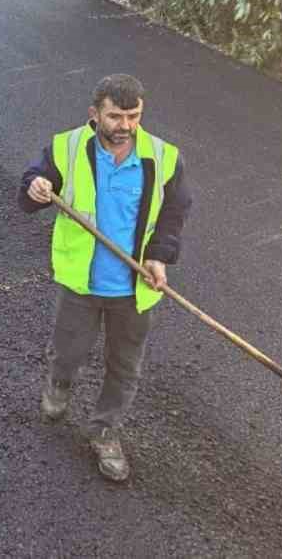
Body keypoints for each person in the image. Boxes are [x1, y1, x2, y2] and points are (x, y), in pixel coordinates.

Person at [19, 73, 192, 482]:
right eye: (116, 116)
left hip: (134, 289)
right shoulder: (66, 147)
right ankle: (59, 385)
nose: (126, 126)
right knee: (68, 352)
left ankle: (105, 431)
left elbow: (175, 213)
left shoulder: (164, 157)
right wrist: (37, 187)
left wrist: (158, 257)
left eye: (134, 116)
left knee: (124, 367)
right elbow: (29, 190)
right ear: (94, 114)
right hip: (81, 282)